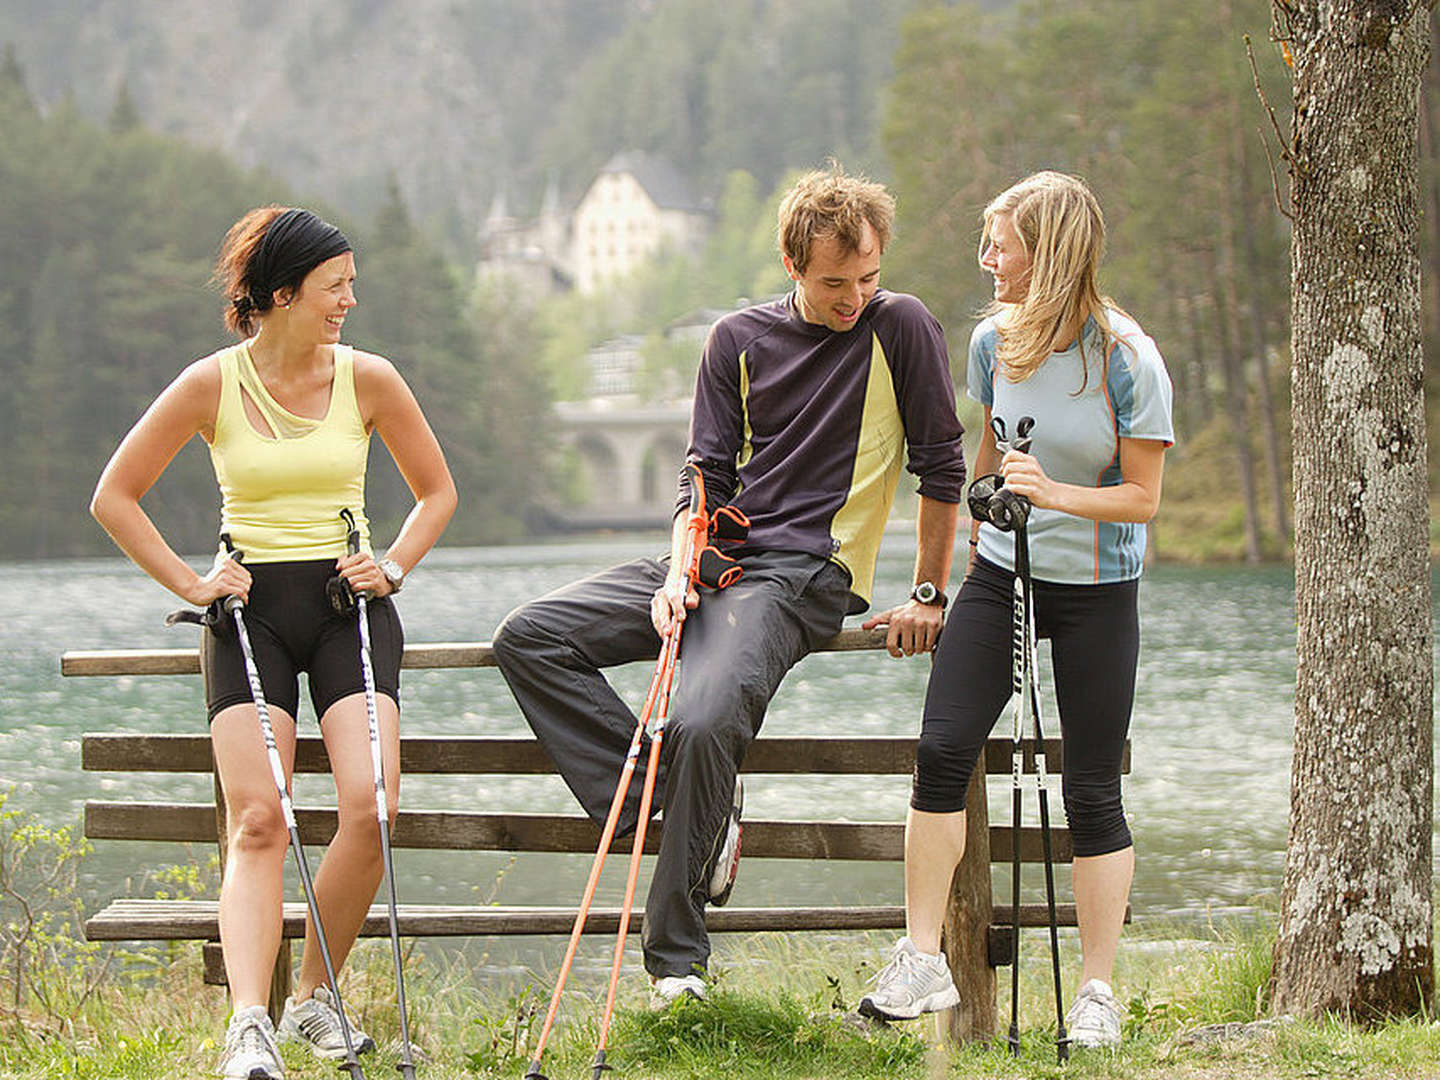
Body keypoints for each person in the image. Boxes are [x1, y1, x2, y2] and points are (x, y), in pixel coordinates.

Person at [493, 164, 967, 1010]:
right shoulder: (735, 340)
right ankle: (687, 812)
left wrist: (929, 594)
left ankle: (676, 963)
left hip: (808, 573)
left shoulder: (903, 329)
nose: (854, 296)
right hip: (716, 561)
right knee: (528, 636)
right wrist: (678, 571)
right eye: (833, 283)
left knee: (704, 717)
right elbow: (701, 477)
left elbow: (941, 469)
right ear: (793, 267)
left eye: (868, 276)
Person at [90, 206, 456, 1080]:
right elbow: (115, 495)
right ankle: (248, 1028)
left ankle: (312, 1002)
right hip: (248, 612)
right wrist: (191, 584)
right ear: (283, 293)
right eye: (336, 287)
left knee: (371, 807)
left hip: (346, 608)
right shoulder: (209, 384)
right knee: (259, 819)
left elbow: (437, 492)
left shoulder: (370, 379)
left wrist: (395, 565)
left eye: (351, 285)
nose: (349, 302)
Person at [857, 171, 1173, 1048]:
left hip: (1098, 590)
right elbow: (984, 457)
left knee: (1091, 787)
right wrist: (974, 530)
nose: (986, 259)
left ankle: (1097, 995)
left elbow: (1144, 500)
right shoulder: (994, 342)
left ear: (1052, 251)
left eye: (1001, 243)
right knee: (942, 747)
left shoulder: (1125, 357)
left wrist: (1059, 494)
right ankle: (921, 959)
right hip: (1004, 574)